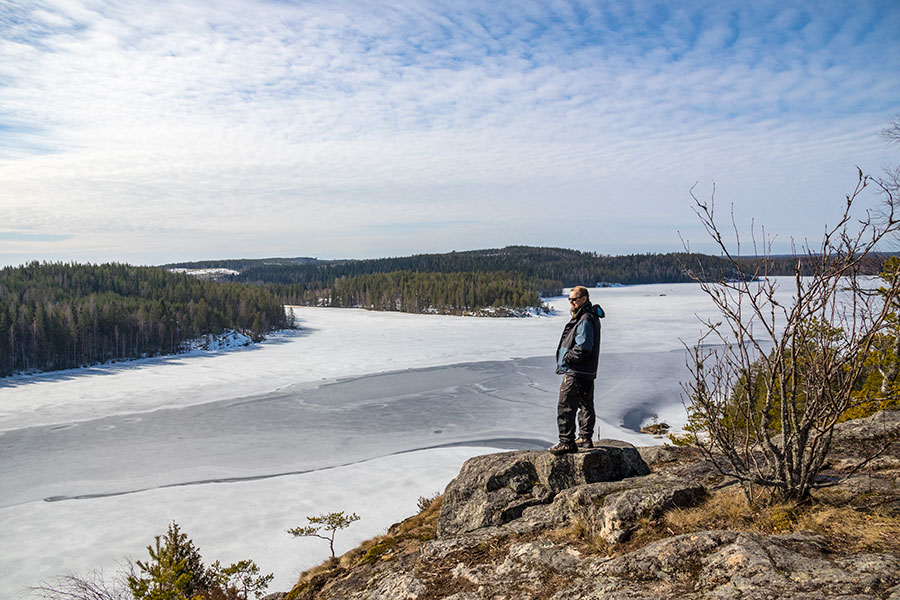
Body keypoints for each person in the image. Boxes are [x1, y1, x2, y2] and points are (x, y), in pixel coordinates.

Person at [549, 285, 602, 455]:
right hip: (587, 370)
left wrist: (568, 358)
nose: (571, 302)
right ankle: (585, 438)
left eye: (574, 299)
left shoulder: (585, 318)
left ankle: (566, 442)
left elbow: (584, 346)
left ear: (584, 299)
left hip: (577, 370)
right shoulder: (588, 316)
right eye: (569, 299)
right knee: (585, 404)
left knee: (566, 405)